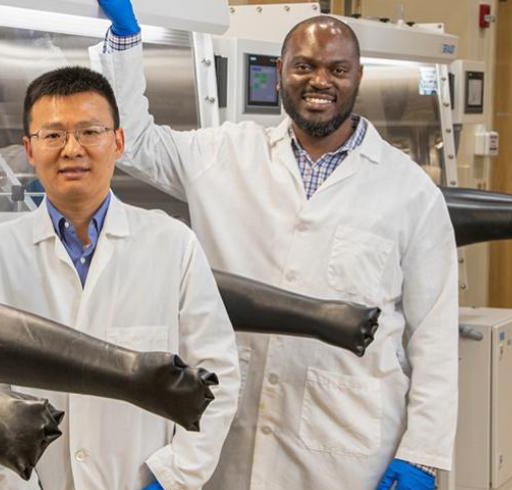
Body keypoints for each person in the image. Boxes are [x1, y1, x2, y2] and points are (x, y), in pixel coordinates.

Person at [92, 2, 459, 489]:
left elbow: (434, 336)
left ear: (358, 76)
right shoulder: (224, 155)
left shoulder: (409, 191)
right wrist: (124, 38)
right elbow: (133, 143)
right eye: (304, 66)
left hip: (346, 450)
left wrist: (422, 455)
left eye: (337, 69)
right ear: (280, 70)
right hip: (229, 435)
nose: (320, 81)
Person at [0, 66, 240, 490]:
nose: (72, 149)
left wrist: (171, 478)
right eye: (53, 135)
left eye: (90, 132)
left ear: (118, 142)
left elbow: (216, 377)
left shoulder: (173, 243)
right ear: (30, 150)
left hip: (141, 479)